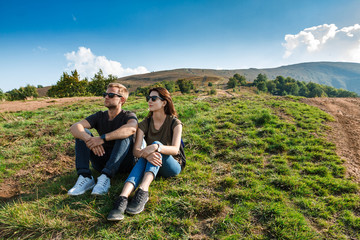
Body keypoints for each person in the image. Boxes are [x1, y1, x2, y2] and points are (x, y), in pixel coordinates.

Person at [107, 87, 184, 221]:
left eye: (154, 98)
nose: (149, 101)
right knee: (145, 157)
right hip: (152, 163)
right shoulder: (144, 124)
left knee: (154, 149)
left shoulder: (175, 122)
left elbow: (175, 150)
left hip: (172, 165)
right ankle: (122, 198)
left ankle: (143, 190)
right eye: (148, 98)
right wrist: (147, 153)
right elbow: (136, 151)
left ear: (164, 102)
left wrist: (155, 146)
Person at [68, 83, 138, 196]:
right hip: (102, 160)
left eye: (111, 95)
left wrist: (102, 138)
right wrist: (89, 139)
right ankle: (85, 177)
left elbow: (131, 129)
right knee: (82, 133)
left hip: (124, 162)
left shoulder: (128, 115)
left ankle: (106, 177)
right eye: (105, 94)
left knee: (124, 135)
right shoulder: (100, 116)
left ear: (122, 100)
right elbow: (75, 127)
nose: (106, 97)